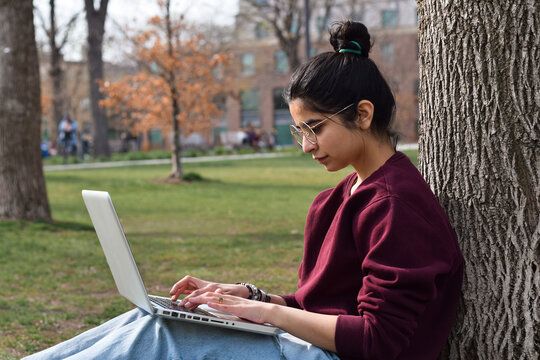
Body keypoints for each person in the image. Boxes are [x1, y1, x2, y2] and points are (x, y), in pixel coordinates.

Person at [24, 21, 463, 360]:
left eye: (315, 129)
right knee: (150, 317)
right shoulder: (345, 194)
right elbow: (322, 307)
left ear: (363, 115)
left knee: (164, 336)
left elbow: (378, 339)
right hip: (312, 347)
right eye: (299, 132)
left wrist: (267, 314)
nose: (306, 146)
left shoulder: (395, 205)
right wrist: (249, 297)